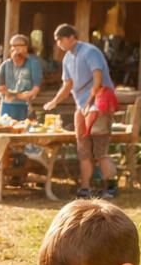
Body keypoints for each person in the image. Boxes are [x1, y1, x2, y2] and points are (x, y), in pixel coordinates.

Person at [43, 24, 120, 198]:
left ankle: (111, 187)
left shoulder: (90, 51)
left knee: (100, 151)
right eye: (57, 41)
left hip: (98, 105)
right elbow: (67, 84)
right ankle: (85, 188)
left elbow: (97, 79)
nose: (59, 44)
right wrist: (54, 101)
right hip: (81, 107)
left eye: (60, 40)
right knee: (83, 150)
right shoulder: (67, 59)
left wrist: (89, 102)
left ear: (71, 37)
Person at [0, 34, 44, 122]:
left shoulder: (33, 64)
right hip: (7, 105)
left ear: (26, 49)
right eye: (14, 47)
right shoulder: (5, 65)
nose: (16, 51)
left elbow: (36, 88)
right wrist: (14, 94)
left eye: (20, 47)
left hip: (25, 105)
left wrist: (26, 95)